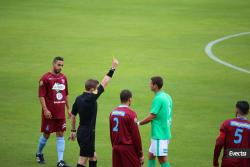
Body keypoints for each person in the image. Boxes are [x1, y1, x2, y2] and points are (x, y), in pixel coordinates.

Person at [70, 58, 119, 167]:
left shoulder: (78, 98)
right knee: (83, 159)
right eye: (96, 88)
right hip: (87, 133)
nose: (98, 89)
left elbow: (73, 115)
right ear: (92, 89)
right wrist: (113, 67)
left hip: (81, 132)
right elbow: (104, 82)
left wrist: (73, 130)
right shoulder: (91, 97)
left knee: (93, 156)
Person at [36, 56, 71, 167]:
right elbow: (41, 96)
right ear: (53, 64)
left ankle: (60, 161)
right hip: (50, 113)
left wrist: (68, 108)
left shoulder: (63, 77)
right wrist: (45, 110)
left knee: (60, 134)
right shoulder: (45, 78)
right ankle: (39, 153)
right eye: (58, 65)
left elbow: (66, 94)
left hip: (60, 112)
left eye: (62, 65)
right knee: (46, 135)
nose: (60, 67)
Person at [138, 76, 173, 167]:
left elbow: (152, 116)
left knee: (162, 160)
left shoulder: (158, 98)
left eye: (151, 83)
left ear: (155, 86)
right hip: (165, 131)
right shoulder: (167, 96)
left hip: (159, 134)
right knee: (151, 155)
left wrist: (139, 123)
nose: (149, 85)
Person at [110, 89, 144, 167]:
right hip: (128, 149)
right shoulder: (131, 114)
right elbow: (136, 136)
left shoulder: (112, 113)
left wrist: (114, 147)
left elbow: (111, 133)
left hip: (115, 148)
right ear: (130, 99)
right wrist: (140, 154)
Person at [213, 101, 250, 167]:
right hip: (244, 163)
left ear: (236, 110)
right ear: (248, 112)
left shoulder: (227, 123)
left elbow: (219, 143)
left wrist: (215, 161)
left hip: (228, 162)